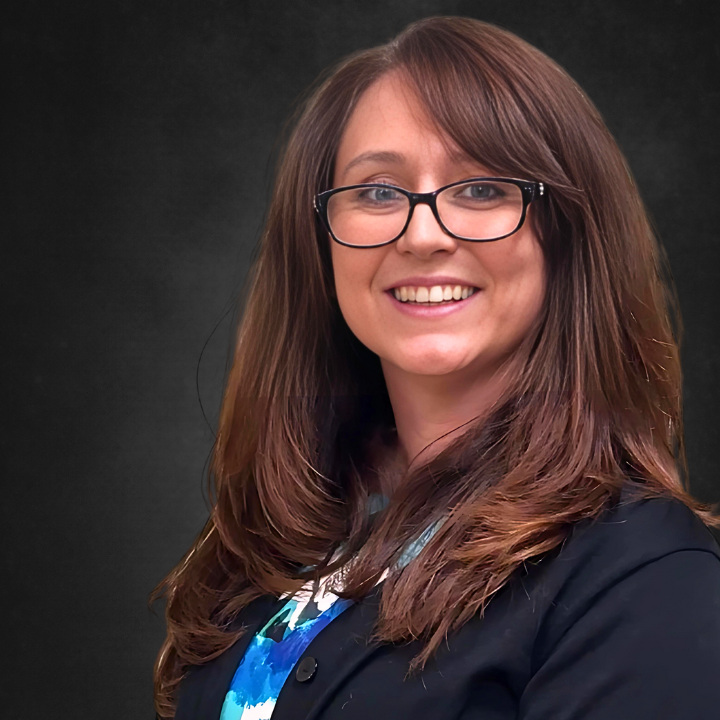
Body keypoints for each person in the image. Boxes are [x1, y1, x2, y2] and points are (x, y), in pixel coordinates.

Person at [153, 16, 720, 720]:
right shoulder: (282, 547)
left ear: (568, 236)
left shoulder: (642, 574)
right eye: (379, 191)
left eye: (482, 189)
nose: (424, 235)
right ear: (321, 246)